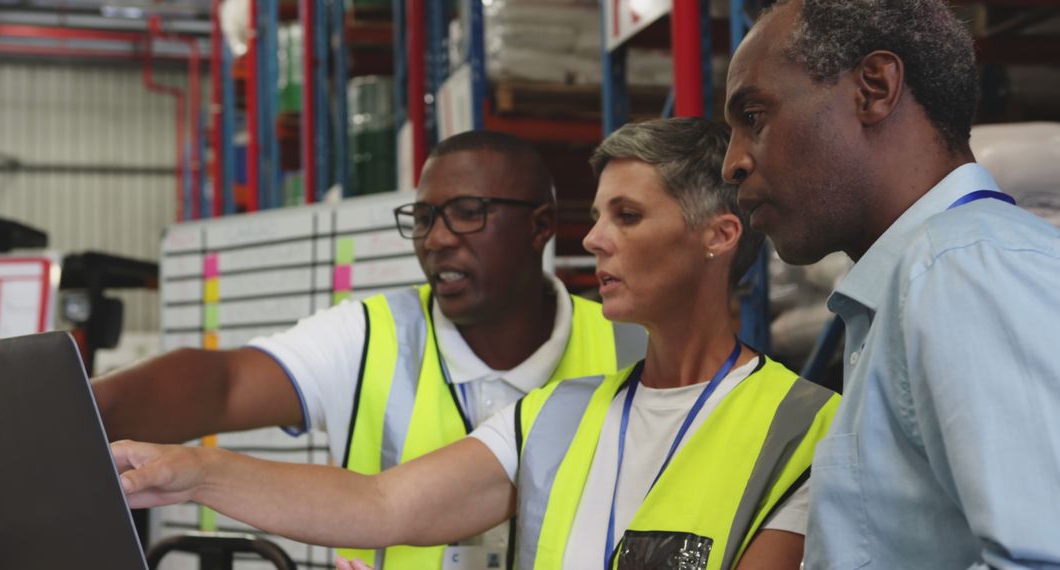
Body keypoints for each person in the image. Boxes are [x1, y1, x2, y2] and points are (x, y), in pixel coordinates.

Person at [112, 117, 840, 570]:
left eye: (627, 215)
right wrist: (194, 472)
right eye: (595, 215)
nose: (593, 240)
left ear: (719, 237)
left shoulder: (805, 431)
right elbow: (381, 507)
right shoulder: (557, 416)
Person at [92, 130, 643, 568]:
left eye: (468, 212)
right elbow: (223, 383)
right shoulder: (370, 336)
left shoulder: (629, 346)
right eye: (424, 218)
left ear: (540, 226)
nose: (437, 238)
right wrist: (79, 405)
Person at [722, 0, 1060, 567]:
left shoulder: (960, 268)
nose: (732, 162)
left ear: (874, 89)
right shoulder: (922, 282)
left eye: (753, 116)